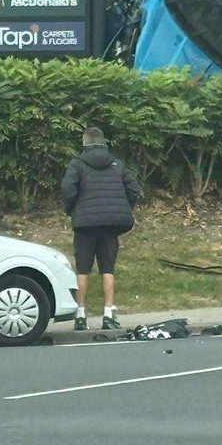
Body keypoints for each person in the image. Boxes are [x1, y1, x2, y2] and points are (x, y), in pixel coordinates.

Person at [61, 126, 140, 332]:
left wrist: (71, 209)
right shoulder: (117, 164)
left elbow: (68, 189)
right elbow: (134, 189)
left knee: (82, 270)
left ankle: (80, 316)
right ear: (103, 142)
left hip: (85, 224)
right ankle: (108, 315)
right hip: (110, 225)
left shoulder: (77, 164)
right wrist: (122, 208)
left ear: (85, 142)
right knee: (108, 269)